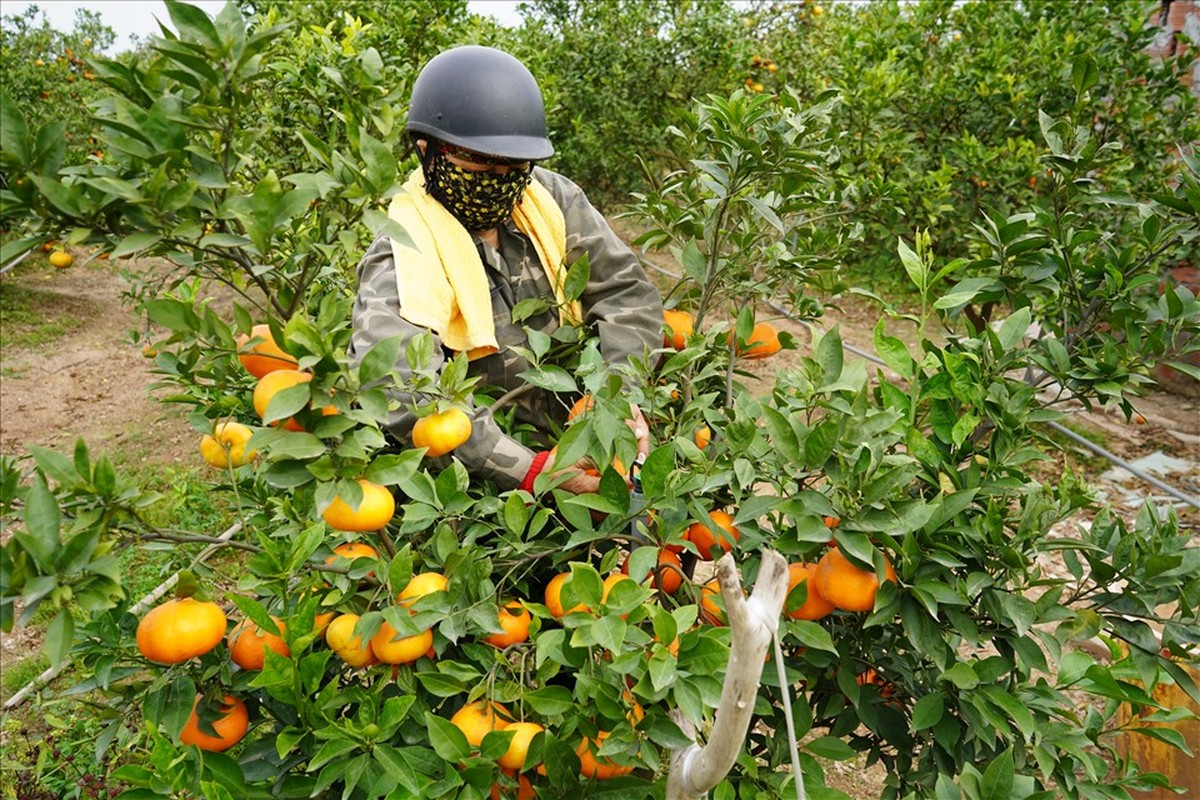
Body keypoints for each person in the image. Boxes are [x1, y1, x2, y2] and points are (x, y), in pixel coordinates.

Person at [349, 45, 663, 494]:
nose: (497, 177)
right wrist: (529, 472)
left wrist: (621, 398)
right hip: (482, 491)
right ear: (427, 150)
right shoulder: (403, 248)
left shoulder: (554, 201)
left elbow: (625, 294)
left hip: (586, 448)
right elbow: (400, 389)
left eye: (513, 165)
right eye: (477, 161)